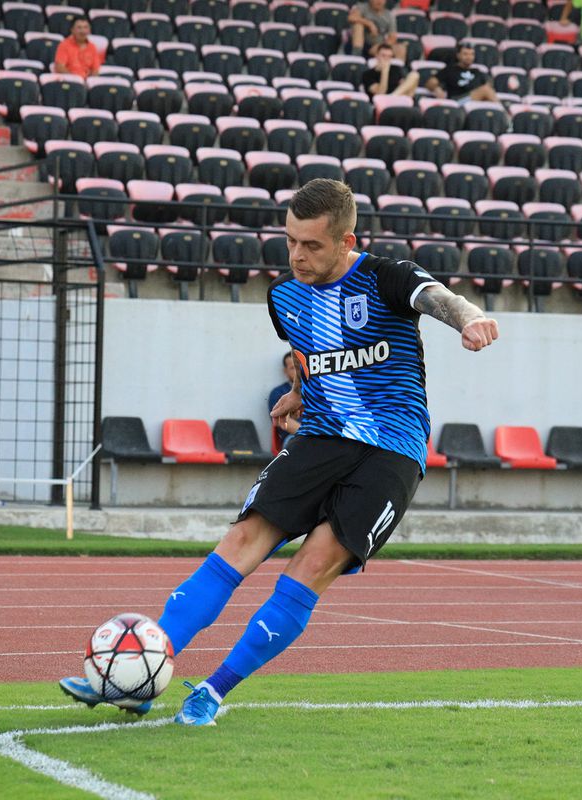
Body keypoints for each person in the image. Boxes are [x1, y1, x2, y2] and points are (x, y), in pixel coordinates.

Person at [60, 179, 500, 725]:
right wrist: (299, 392)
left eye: (311, 245)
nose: (296, 254)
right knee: (241, 541)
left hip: (392, 448)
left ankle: (213, 691)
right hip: (320, 435)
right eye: (290, 240)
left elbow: (441, 299)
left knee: (311, 563)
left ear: (346, 241)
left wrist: (470, 318)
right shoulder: (284, 297)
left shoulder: (388, 276)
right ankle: (142, 677)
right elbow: (315, 357)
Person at [425, 44, 499, 103]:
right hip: (457, 101)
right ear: (458, 55)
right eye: (465, 54)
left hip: (475, 101)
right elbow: (430, 82)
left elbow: (488, 85)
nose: (469, 57)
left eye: (471, 54)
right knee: (485, 90)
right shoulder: (450, 70)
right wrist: (437, 89)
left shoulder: (477, 72)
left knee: (487, 91)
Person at [268, 353, 301, 449]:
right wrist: (310, 435)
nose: (297, 371)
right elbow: (280, 421)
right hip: (293, 437)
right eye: (292, 368)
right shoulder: (278, 393)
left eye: (299, 366)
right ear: (285, 371)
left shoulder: (315, 390)